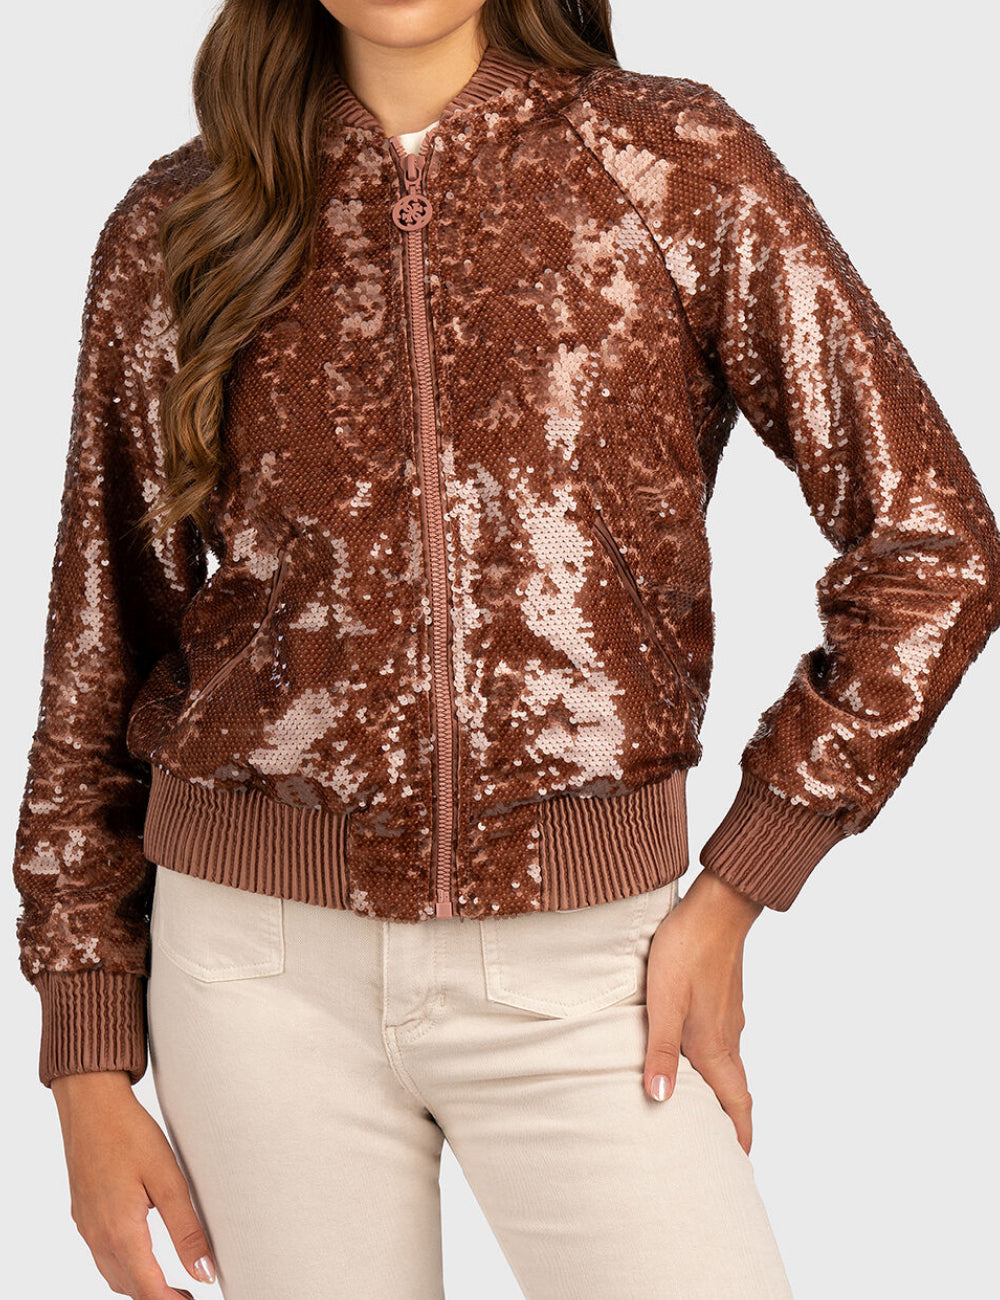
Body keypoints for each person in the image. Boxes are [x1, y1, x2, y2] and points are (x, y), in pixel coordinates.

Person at [13, 1, 1000, 1297]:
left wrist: (740, 882)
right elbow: (100, 647)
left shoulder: (673, 163)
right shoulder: (183, 221)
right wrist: (86, 1058)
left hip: (593, 966)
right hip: (253, 977)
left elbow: (935, 547)